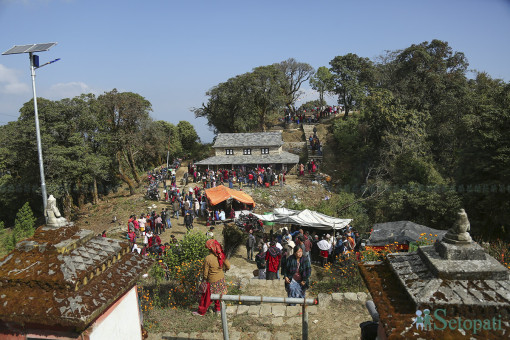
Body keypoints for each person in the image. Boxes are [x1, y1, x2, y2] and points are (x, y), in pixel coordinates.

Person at [193, 239, 230, 316]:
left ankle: (201, 312)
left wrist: (204, 279)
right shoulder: (222, 255)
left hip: (211, 280)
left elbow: (205, 273)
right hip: (221, 279)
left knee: (206, 298)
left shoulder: (208, 258)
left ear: (210, 248)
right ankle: (218, 310)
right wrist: (224, 269)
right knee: (219, 295)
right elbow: (228, 266)